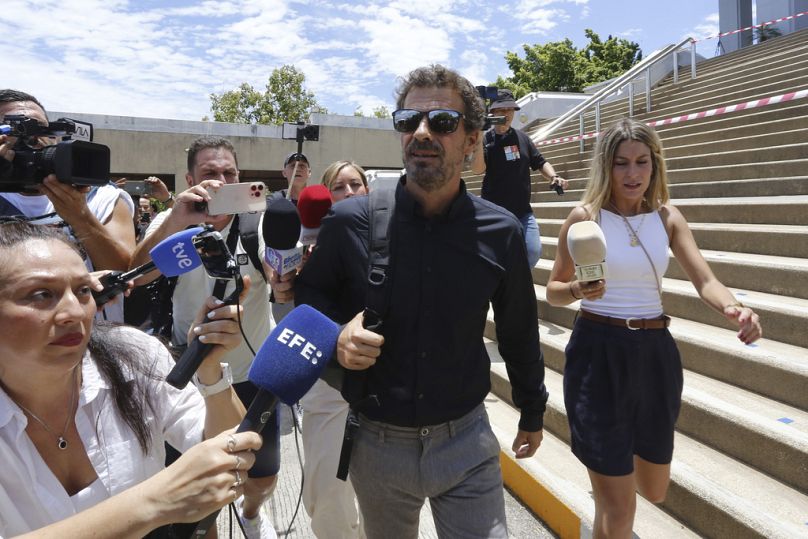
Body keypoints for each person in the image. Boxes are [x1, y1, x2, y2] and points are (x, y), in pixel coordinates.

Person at [296, 65, 548, 539]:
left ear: (473, 139)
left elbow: (518, 329)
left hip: (467, 443)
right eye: (409, 121)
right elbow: (310, 294)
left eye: (443, 123)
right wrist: (336, 337)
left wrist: (532, 410)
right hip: (377, 445)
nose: (422, 133)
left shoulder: (502, 233)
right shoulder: (350, 221)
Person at [545, 118, 762, 538]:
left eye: (642, 162)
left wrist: (735, 308)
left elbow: (706, 280)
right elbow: (554, 290)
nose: (633, 173)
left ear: (654, 164)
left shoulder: (667, 217)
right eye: (622, 163)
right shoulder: (585, 217)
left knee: (653, 489)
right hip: (597, 352)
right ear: (606, 166)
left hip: (655, 354)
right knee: (619, 507)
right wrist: (576, 288)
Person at [0, 221, 262, 537]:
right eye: (41, 294)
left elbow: (231, 453)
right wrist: (153, 503)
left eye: (83, 290)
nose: (74, 311)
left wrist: (209, 370)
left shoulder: (133, 354)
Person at [129, 136, 278, 538]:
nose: (220, 181)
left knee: (262, 476)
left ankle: (252, 514)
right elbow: (136, 276)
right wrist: (177, 219)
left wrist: (285, 276)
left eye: (229, 173)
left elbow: (282, 275)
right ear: (190, 178)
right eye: (210, 173)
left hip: (253, 375)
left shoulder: (258, 222)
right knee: (200, 493)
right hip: (190, 375)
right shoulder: (173, 222)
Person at [270, 159, 369, 539]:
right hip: (328, 384)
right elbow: (287, 314)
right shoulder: (302, 247)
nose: (347, 194)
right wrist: (286, 285)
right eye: (338, 188)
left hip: (381, 381)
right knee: (327, 489)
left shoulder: (391, 236)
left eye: (355, 185)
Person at [0, 89, 135, 322]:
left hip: (95, 341)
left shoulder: (100, 196)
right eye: (13, 131)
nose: (31, 141)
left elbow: (124, 272)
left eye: (38, 129)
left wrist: (79, 215)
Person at [470, 88, 568, 267]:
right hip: (495, 212)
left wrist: (554, 176)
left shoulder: (523, 138)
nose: (506, 114)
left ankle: (513, 286)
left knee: (533, 251)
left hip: (523, 212)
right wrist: (478, 136)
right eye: (501, 110)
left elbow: (540, 162)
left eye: (509, 110)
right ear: (491, 112)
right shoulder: (486, 140)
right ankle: (503, 289)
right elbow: (477, 170)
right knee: (496, 257)